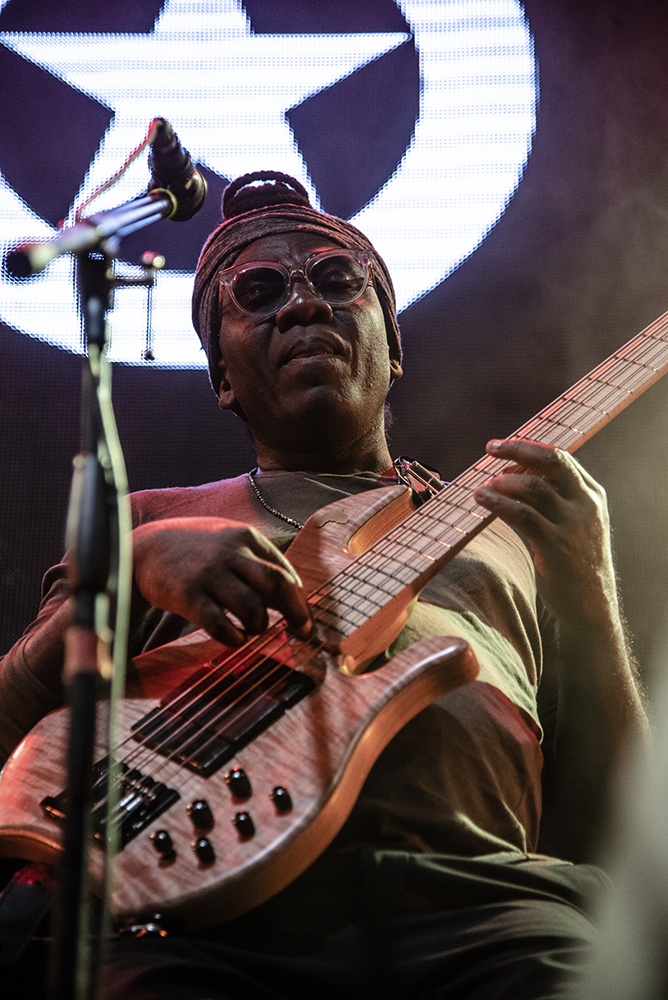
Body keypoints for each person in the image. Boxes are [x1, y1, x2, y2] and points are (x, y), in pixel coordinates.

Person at [0, 172, 648, 999]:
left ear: (395, 343)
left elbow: (624, 827)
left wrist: (590, 590)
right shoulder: (145, 521)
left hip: (485, 911)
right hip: (202, 926)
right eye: (259, 292)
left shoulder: (517, 530)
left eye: (339, 281)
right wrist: (127, 577)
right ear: (223, 377)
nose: (304, 306)